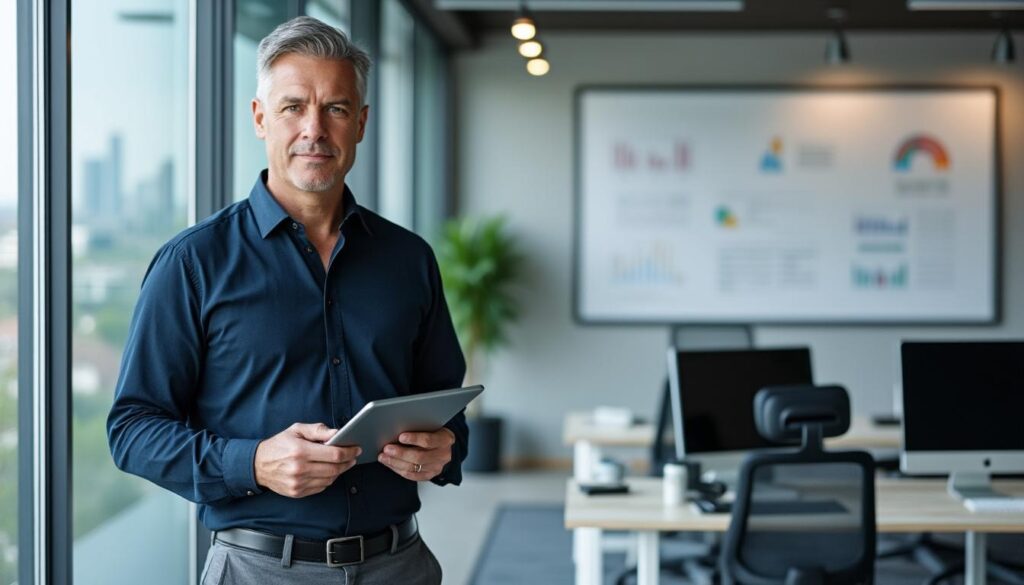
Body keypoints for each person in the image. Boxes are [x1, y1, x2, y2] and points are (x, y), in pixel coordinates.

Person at [107, 16, 466, 585]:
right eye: (293, 107)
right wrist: (252, 463)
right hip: (258, 570)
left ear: (361, 123)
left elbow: (446, 407)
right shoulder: (193, 262)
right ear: (260, 118)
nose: (314, 130)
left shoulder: (409, 259)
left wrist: (444, 449)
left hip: (401, 565)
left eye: (336, 109)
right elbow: (132, 430)